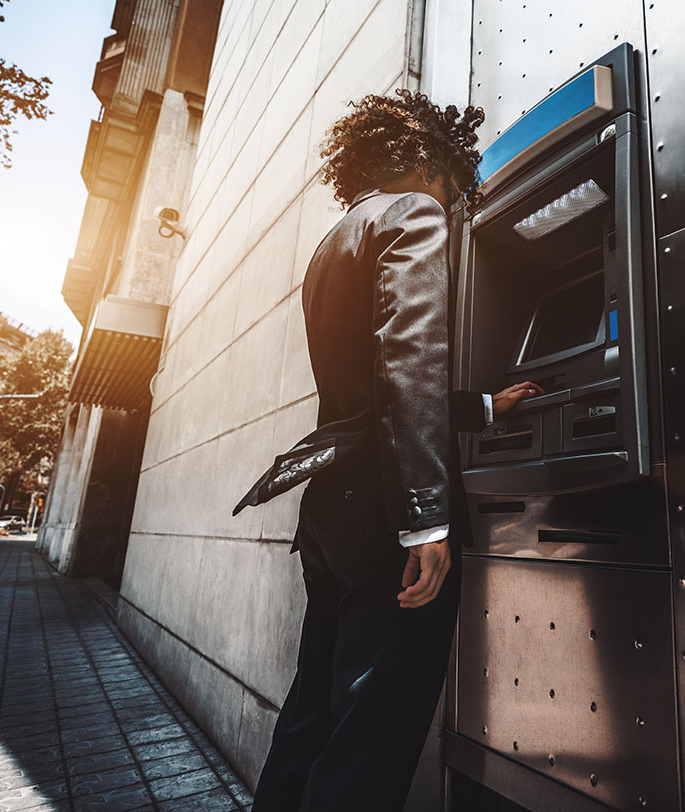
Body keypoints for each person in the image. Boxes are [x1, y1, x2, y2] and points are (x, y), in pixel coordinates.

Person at [251, 89, 541, 811]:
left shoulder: (338, 238)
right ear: (426, 158)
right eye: (453, 178)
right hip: (388, 520)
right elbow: (408, 360)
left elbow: (373, 387)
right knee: (369, 745)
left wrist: (482, 407)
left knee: (314, 714)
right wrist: (427, 521)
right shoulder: (412, 212)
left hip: (332, 513)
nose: (454, 195)